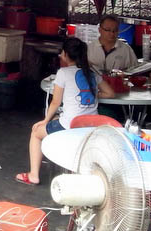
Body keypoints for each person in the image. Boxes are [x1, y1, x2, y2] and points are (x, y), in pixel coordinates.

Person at [15, 37, 114, 186]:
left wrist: (44, 121)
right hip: (92, 127)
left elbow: (55, 102)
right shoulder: (91, 72)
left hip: (71, 125)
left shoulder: (63, 72)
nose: (60, 55)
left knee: (36, 132)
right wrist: (93, 94)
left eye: (62, 52)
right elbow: (110, 93)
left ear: (66, 54)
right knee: (56, 119)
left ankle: (34, 175)